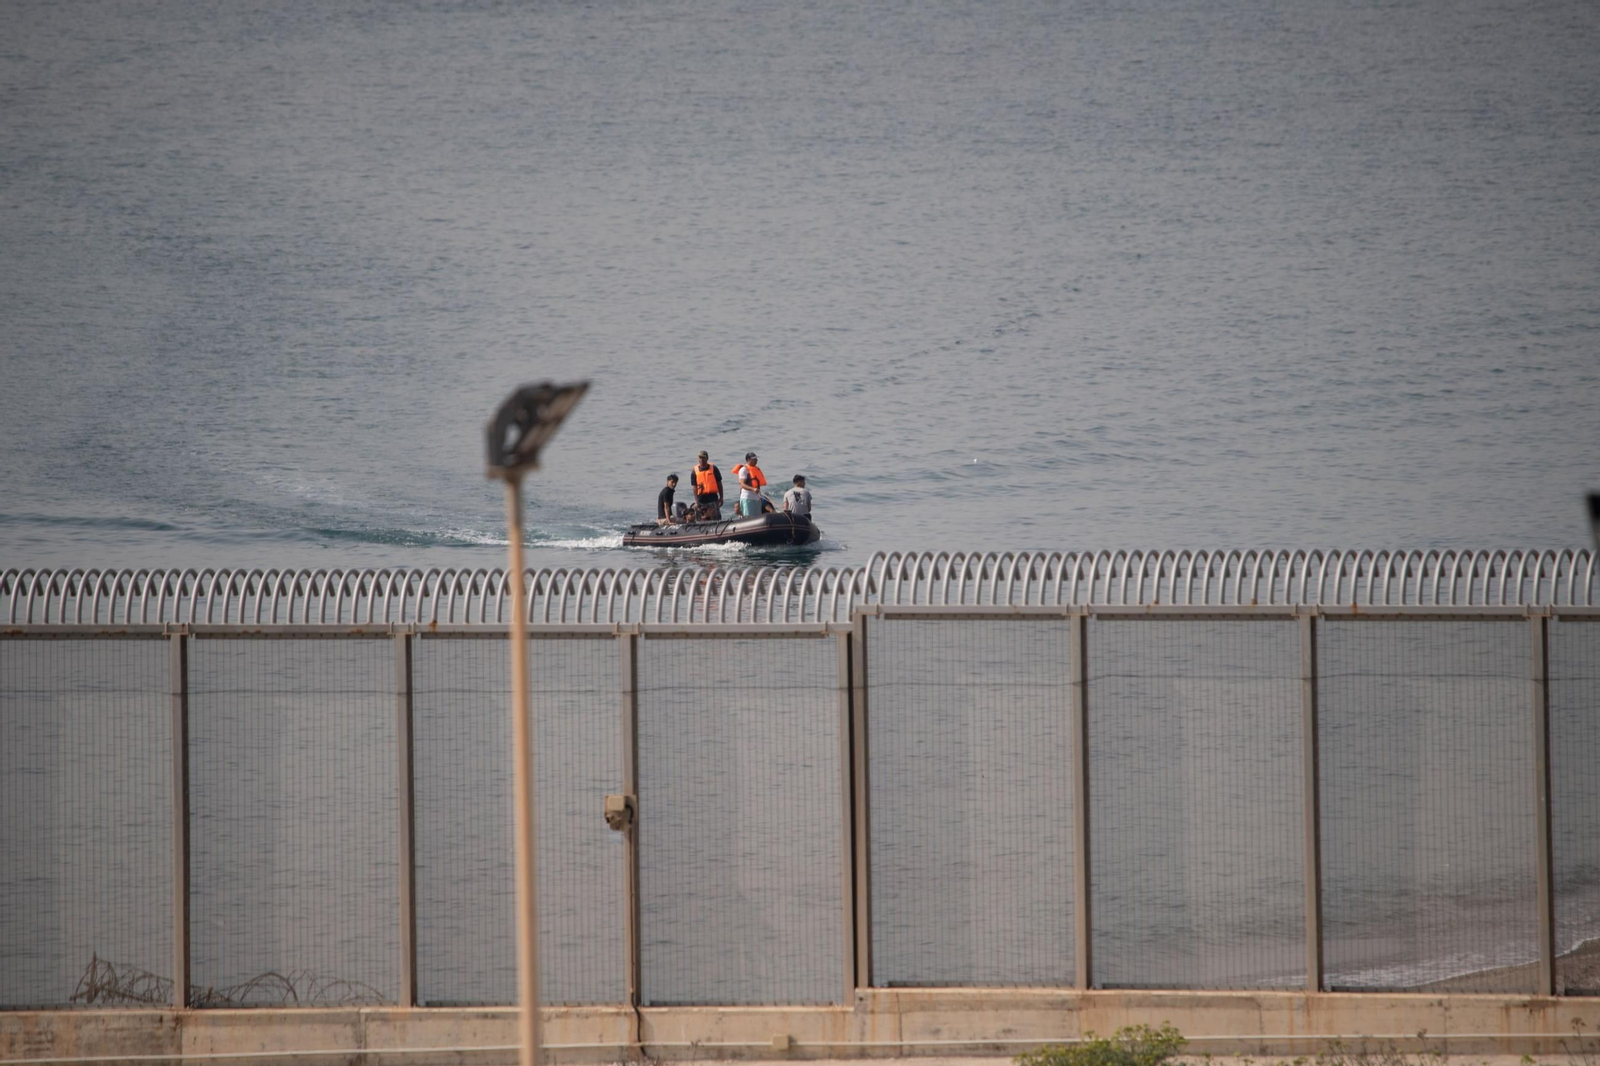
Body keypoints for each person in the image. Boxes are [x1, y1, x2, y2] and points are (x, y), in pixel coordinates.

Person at [690, 451, 723, 521]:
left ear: (707, 458)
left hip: (713, 498)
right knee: (701, 519)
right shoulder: (694, 471)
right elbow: (694, 487)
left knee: (716, 518)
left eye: (703, 458)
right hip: (701, 499)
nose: (701, 460)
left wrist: (721, 497)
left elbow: (719, 483)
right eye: (700, 458)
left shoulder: (714, 469)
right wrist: (696, 501)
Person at [737, 451, 767, 517]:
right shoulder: (744, 470)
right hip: (748, 498)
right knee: (749, 517)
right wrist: (752, 489)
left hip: (757, 498)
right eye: (754, 459)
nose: (756, 460)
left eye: (756, 459)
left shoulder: (756, 469)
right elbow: (742, 484)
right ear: (748, 460)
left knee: (758, 517)